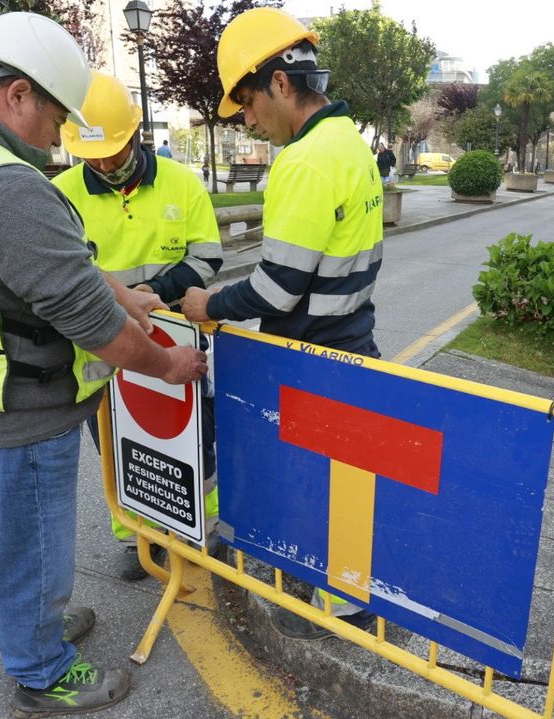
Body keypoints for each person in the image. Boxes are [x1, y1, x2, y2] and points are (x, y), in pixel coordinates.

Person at [0, 12, 208, 717]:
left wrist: (123, 292)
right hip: (10, 413)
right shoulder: (7, 186)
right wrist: (168, 364)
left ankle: (38, 622)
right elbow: (97, 328)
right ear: (19, 93)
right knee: (29, 542)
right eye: (58, 114)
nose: (61, 135)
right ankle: (42, 667)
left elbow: (60, 269)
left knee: (9, 535)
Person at [181, 6, 383, 640]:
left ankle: (337, 602)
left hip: (313, 350)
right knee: (348, 477)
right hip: (353, 335)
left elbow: (276, 286)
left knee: (318, 474)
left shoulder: (302, 161)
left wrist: (206, 305)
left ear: (280, 83)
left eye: (245, 101)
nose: (246, 118)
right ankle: (349, 593)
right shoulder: (351, 142)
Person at [53, 70, 223, 580]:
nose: (104, 162)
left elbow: (208, 257)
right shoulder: (59, 193)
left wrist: (157, 293)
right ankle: (138, 537)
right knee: (115, 445)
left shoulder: (180, 183)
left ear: (136, 133)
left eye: (114, 148)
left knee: (197, 439)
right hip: (101, 349)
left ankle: (204, 528)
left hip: (178, 341)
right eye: (92, 154)